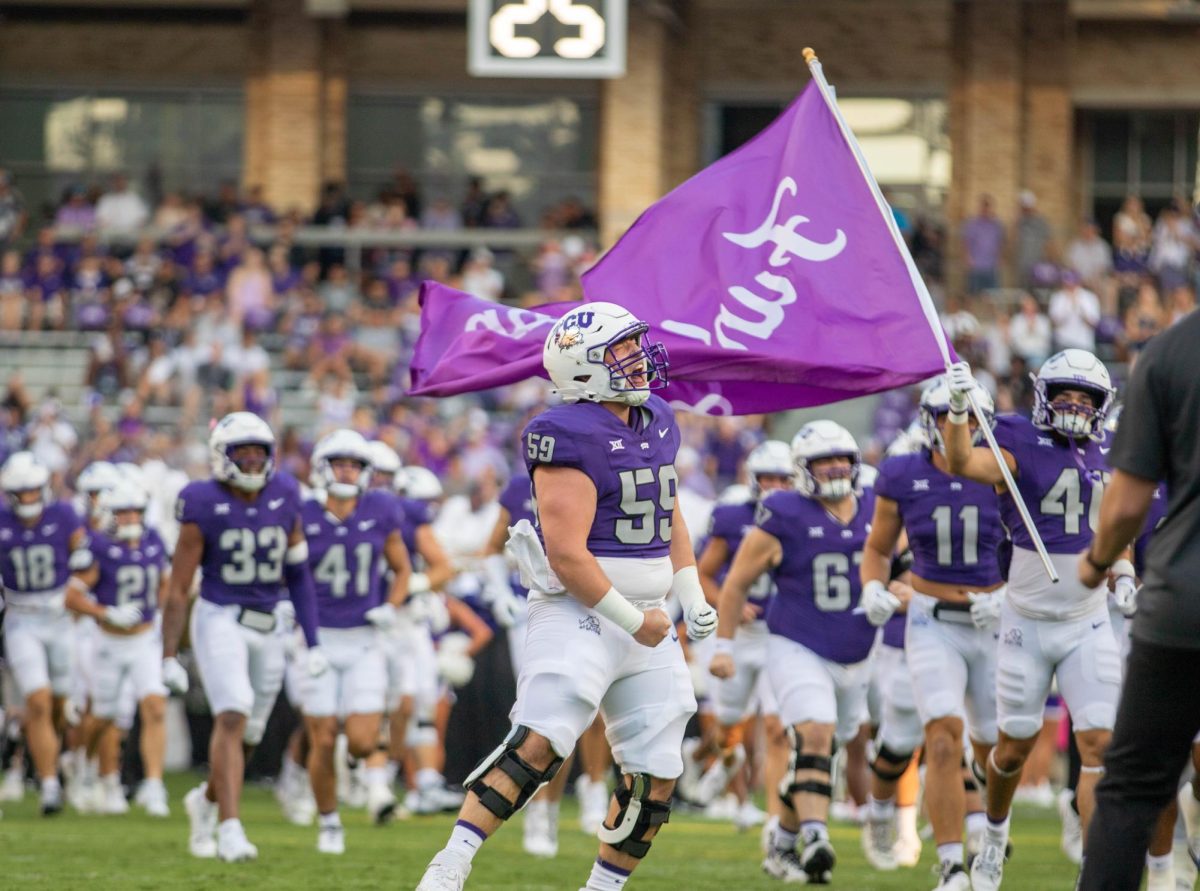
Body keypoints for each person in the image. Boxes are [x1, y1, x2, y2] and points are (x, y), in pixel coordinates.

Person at [415, 302, 716, 891]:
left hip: (647, 617)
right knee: (542, 742)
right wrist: (636, 621)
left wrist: (690, 588)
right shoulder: (563, 433)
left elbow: (667, 507)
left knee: (656, 776)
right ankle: (450, 864)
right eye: (621, 351)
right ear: (584, 370)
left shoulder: (654, 415)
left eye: (635, 345)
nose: (638, 359)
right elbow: (568, 556)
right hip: (583, 610)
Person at [943, 350, 1123, 891]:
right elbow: (962, 464)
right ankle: (994, 837)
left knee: (1099, 747)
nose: (1074, 405)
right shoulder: (1018, 437)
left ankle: (1095, 870)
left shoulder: (1112, 449)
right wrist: (957, 413)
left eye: (1084, 397)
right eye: (1064, 394)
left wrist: (1126, 570)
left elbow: (1121, 522)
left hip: (1089, 620)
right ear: (1044, 396)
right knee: (1013, 747)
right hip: (1027, 621)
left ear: (1101, 406)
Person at [159, 411, 327, 862]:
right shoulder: (200, 501)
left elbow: (298, 574)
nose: (253, 464)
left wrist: (312, 641)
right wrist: (168, 654)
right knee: (232, 715)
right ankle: (231, 829)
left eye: (259, 455)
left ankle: (207, 802)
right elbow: (178, 587)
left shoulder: (287, 493)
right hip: (220, 616)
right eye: (243, 454)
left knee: (248, 735)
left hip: (271, 621)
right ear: (222, 457)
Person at [860, 378, 1007, 889]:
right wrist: (873, 586)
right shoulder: (902, 472)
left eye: (964, 415)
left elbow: (1039, 546)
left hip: (992, 621)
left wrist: (1008, 595)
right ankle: (951, 864)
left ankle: (991, 837)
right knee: (942, 739)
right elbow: (878, 548)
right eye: (947, 414)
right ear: (928, 420)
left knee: (998, 749)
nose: (956, 425)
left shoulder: (1003, 471)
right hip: (929, 619)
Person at [717, 420, 878, 884]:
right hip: (797, 642)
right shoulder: (784, 510)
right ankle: (815, 837)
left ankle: (782, 844)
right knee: (814, 734)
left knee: (823, 750)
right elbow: (736, 583)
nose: (833, 468)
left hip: (856, 649)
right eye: (822, 460)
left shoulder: (874, 506)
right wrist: (723, 645)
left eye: (841, 459)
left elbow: (901, 559)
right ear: (803, 469)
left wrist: (897, 589)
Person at [1076, 307, 1200, 889]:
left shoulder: (1170, 353)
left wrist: (1098, 561)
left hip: (1184, 600)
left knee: (1129, 790)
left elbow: (1126, 504)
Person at [300, 429, 412, 852]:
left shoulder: (381, 508)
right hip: (318, 638)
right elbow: (287, 569)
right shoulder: (302, 512)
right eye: (339, 463)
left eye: (354, 465)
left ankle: (356, 779)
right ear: (322, 468)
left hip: (364, 637)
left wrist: (392, 604)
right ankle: (329, 822)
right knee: (324, 737)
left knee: (363, 741)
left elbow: (401, 568)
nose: (346, 471)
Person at [699, 441, 794, 834]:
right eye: (766, 477)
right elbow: (703, 575)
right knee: (728, 729)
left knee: (775, 727)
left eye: (781, 478)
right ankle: (723, 763)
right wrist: (730, 603)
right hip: (737, 635)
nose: (773, 485)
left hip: (780, 636)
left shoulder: (804, 515)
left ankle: (772, 818)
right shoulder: (732, 515)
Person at [64, 480, 170, 817]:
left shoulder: (154, 539)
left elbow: (166, 582)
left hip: (145, 640)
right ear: (110, 516)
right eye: (122, 513)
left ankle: (154, 785)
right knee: (102, 717)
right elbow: (71, 595)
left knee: (154, 705)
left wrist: (161, 613)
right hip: (108, 640)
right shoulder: (96, 546)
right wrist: (104, 612)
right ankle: (83, 767)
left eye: (134, 512)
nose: (129, 519)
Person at [0, 451, 88, 814]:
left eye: (33, 491)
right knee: (37, 700)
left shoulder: (64, 514)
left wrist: (74, 589)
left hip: (59, 616)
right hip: (21, 618)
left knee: (58, 705)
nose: (29, 500)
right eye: (22, 493)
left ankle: (43, 756)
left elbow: (84, 560)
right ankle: (50, 784)